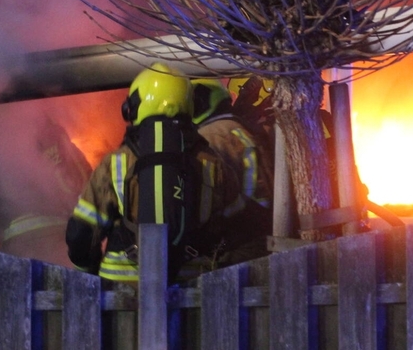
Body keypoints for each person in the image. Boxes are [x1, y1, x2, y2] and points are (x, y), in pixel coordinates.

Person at [65, 64, 234, 283]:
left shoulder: (117, 162)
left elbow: (81, 234)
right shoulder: (213, 163)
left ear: (138, 105)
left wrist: (88, 276)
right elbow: (232, 232)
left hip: (120, 288)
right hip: (192, 287)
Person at [192, 78, 274, 263]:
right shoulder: (240, 128)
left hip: (239, 238)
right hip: (263, 231)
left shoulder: (210, 135)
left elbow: (209, 196)